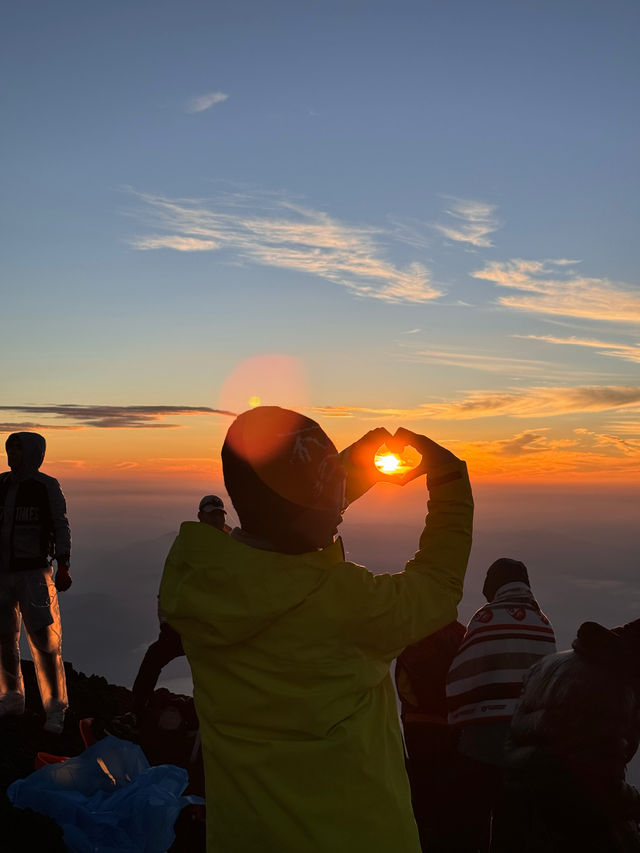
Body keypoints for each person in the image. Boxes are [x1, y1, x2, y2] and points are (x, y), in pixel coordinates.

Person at [159, 405, 474, 853]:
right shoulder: (348, 605)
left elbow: (284, 514)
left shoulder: (198, 578)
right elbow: (438, 585)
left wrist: (348, 467)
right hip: (361, 836)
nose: (339, 508)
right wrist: (449, 479)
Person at [493, 619, 640, 853]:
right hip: (561, 826)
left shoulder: (549, 664)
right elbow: (597, 786)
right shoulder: (613, 687)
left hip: (517, 815)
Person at [445, 558, 556, 852]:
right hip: (525, 742)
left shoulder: (485, 619)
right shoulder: (544, 623)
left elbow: (461, 674)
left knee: (473, 822)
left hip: (482, 742)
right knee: (515, 826)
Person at [131, 495, 229, 719]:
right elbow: (171, 584)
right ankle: (136, 711)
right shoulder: (188, 545)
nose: (216, 520)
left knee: (160, 659)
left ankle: (211, 719)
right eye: (211, 515)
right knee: (155, 657)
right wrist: (167, 621)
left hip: (212, 627)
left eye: (219, 515)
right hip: (188, 625)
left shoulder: (228, 546)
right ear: (200, 517)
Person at [0, 432, 71, 734]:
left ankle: (55, 709)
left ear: (32, 453)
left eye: (17, 450)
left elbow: (60, 523)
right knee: (4, 638)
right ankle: (11, 697)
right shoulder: (0, 485)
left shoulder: (46, 487)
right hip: (2, 573)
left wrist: (64, 564)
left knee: (45, 642)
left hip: (34, 574)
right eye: (9, 449)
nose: (11, 455)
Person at [395, 620, 466, 851]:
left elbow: (403, 684)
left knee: (421, 787)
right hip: (451, 723)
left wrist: (411, 709)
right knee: (449, 788)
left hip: (418, 724)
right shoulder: (462, 633)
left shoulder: (414, 629)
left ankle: (423, 839)